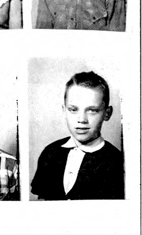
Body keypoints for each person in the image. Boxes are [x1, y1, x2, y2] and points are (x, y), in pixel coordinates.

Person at [31, 71, 124, 200]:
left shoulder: (117, 162)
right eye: (73, 110)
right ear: (64, 111)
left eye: (92, 110)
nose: (82, 119)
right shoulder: (50, 152)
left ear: (107, 113)